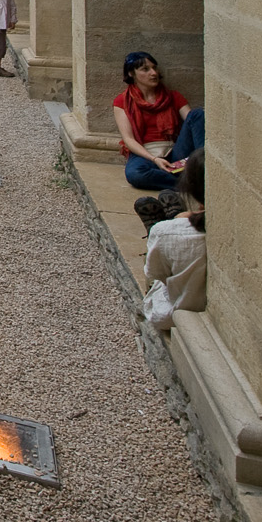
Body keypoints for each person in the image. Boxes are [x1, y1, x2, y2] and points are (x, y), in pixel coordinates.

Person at [114, 51, 202, 194]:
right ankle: (189, 184)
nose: (153, 73)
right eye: (145, 69)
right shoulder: (122, 101)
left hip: (175, 150)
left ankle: (202, 165)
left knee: (197, 114)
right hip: (146, 153)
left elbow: (192, 122)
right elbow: (128, 139)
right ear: (131, 73)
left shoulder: (173, 96)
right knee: (135, 174)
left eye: (154, 68)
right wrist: (155, 159)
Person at [143, 157, 206, 330]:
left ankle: (159, 228)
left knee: (159, 264)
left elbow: (155, 273)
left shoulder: (166, 232)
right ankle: (174, 217)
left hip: (174, 310)